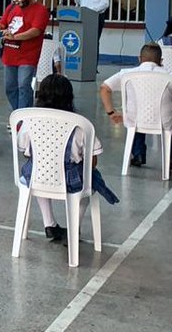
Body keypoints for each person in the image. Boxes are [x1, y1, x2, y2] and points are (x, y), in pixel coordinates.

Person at [18, 74, 118, 242]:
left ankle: (49, 223)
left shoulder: (28, 122)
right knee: (88, 185)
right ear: (69, 97)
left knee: (38, 173)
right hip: (71, 182)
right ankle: (74, 229)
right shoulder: (80, 125)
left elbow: (25, 153)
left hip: (37, 177)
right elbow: (92, 162)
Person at [99, 43, 172, 172]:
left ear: (139, 58)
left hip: (135, 120)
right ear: (161, 61)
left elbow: (104, 88)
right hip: (166, 122)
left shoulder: (126, 74)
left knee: (136, 110)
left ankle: (138, 153)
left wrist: (111, 112)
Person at [0, 0, 50, 111]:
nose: (17, 0)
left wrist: (14, 37)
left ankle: (23, 118)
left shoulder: (40, 10)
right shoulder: (12, 7)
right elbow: (2, 23)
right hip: (9, 54)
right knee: (10, 87)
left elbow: (35, 31)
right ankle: (18, 113)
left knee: (24, 85)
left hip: (28, 55)